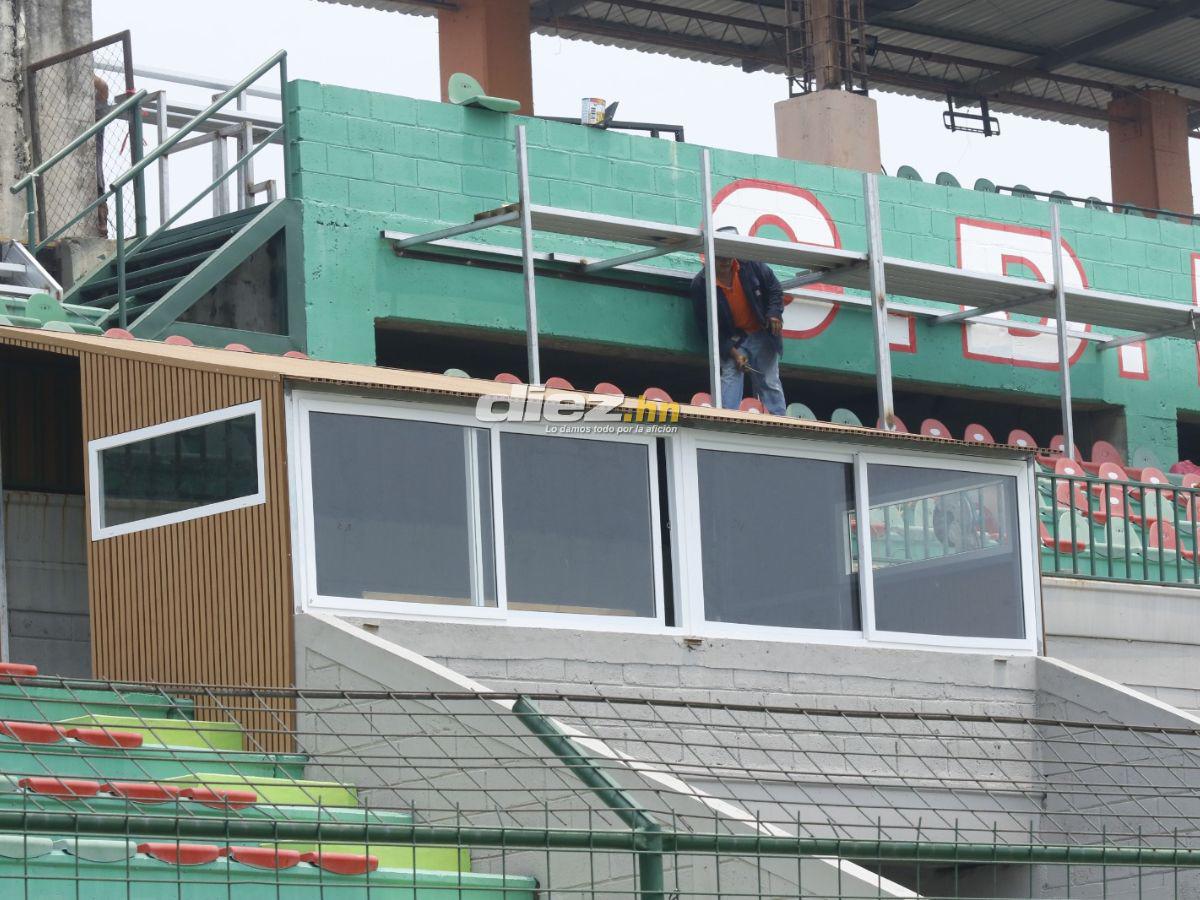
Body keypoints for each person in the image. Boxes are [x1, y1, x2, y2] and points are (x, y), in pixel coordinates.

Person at [690, 226, 786, 414]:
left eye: (729, 255)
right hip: (735, 339)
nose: (725, 260)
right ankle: (727, 421)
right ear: (710, 256)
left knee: (769, 380)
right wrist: (734, 353)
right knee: (731, 375)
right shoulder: (701, 285)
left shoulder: (751, 265)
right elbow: (708, 329)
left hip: (761, 331)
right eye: (720, 256)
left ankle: (780, 422)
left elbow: (775, 288)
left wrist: (774, 313)